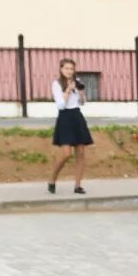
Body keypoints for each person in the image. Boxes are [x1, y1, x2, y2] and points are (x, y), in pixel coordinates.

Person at [46, 58, 92, 196]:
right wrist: (67, 89)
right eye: (66, 68)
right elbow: (60, 105)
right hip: (65, 118)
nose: (69, 71)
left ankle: (78, 185)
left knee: (81, 154)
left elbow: (82, 103)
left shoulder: (77, 82)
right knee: (66, 154)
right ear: (61, 69)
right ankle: (52, 179)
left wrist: (82, 93)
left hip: (77, 117)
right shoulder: (56, 84)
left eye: (71, 69)